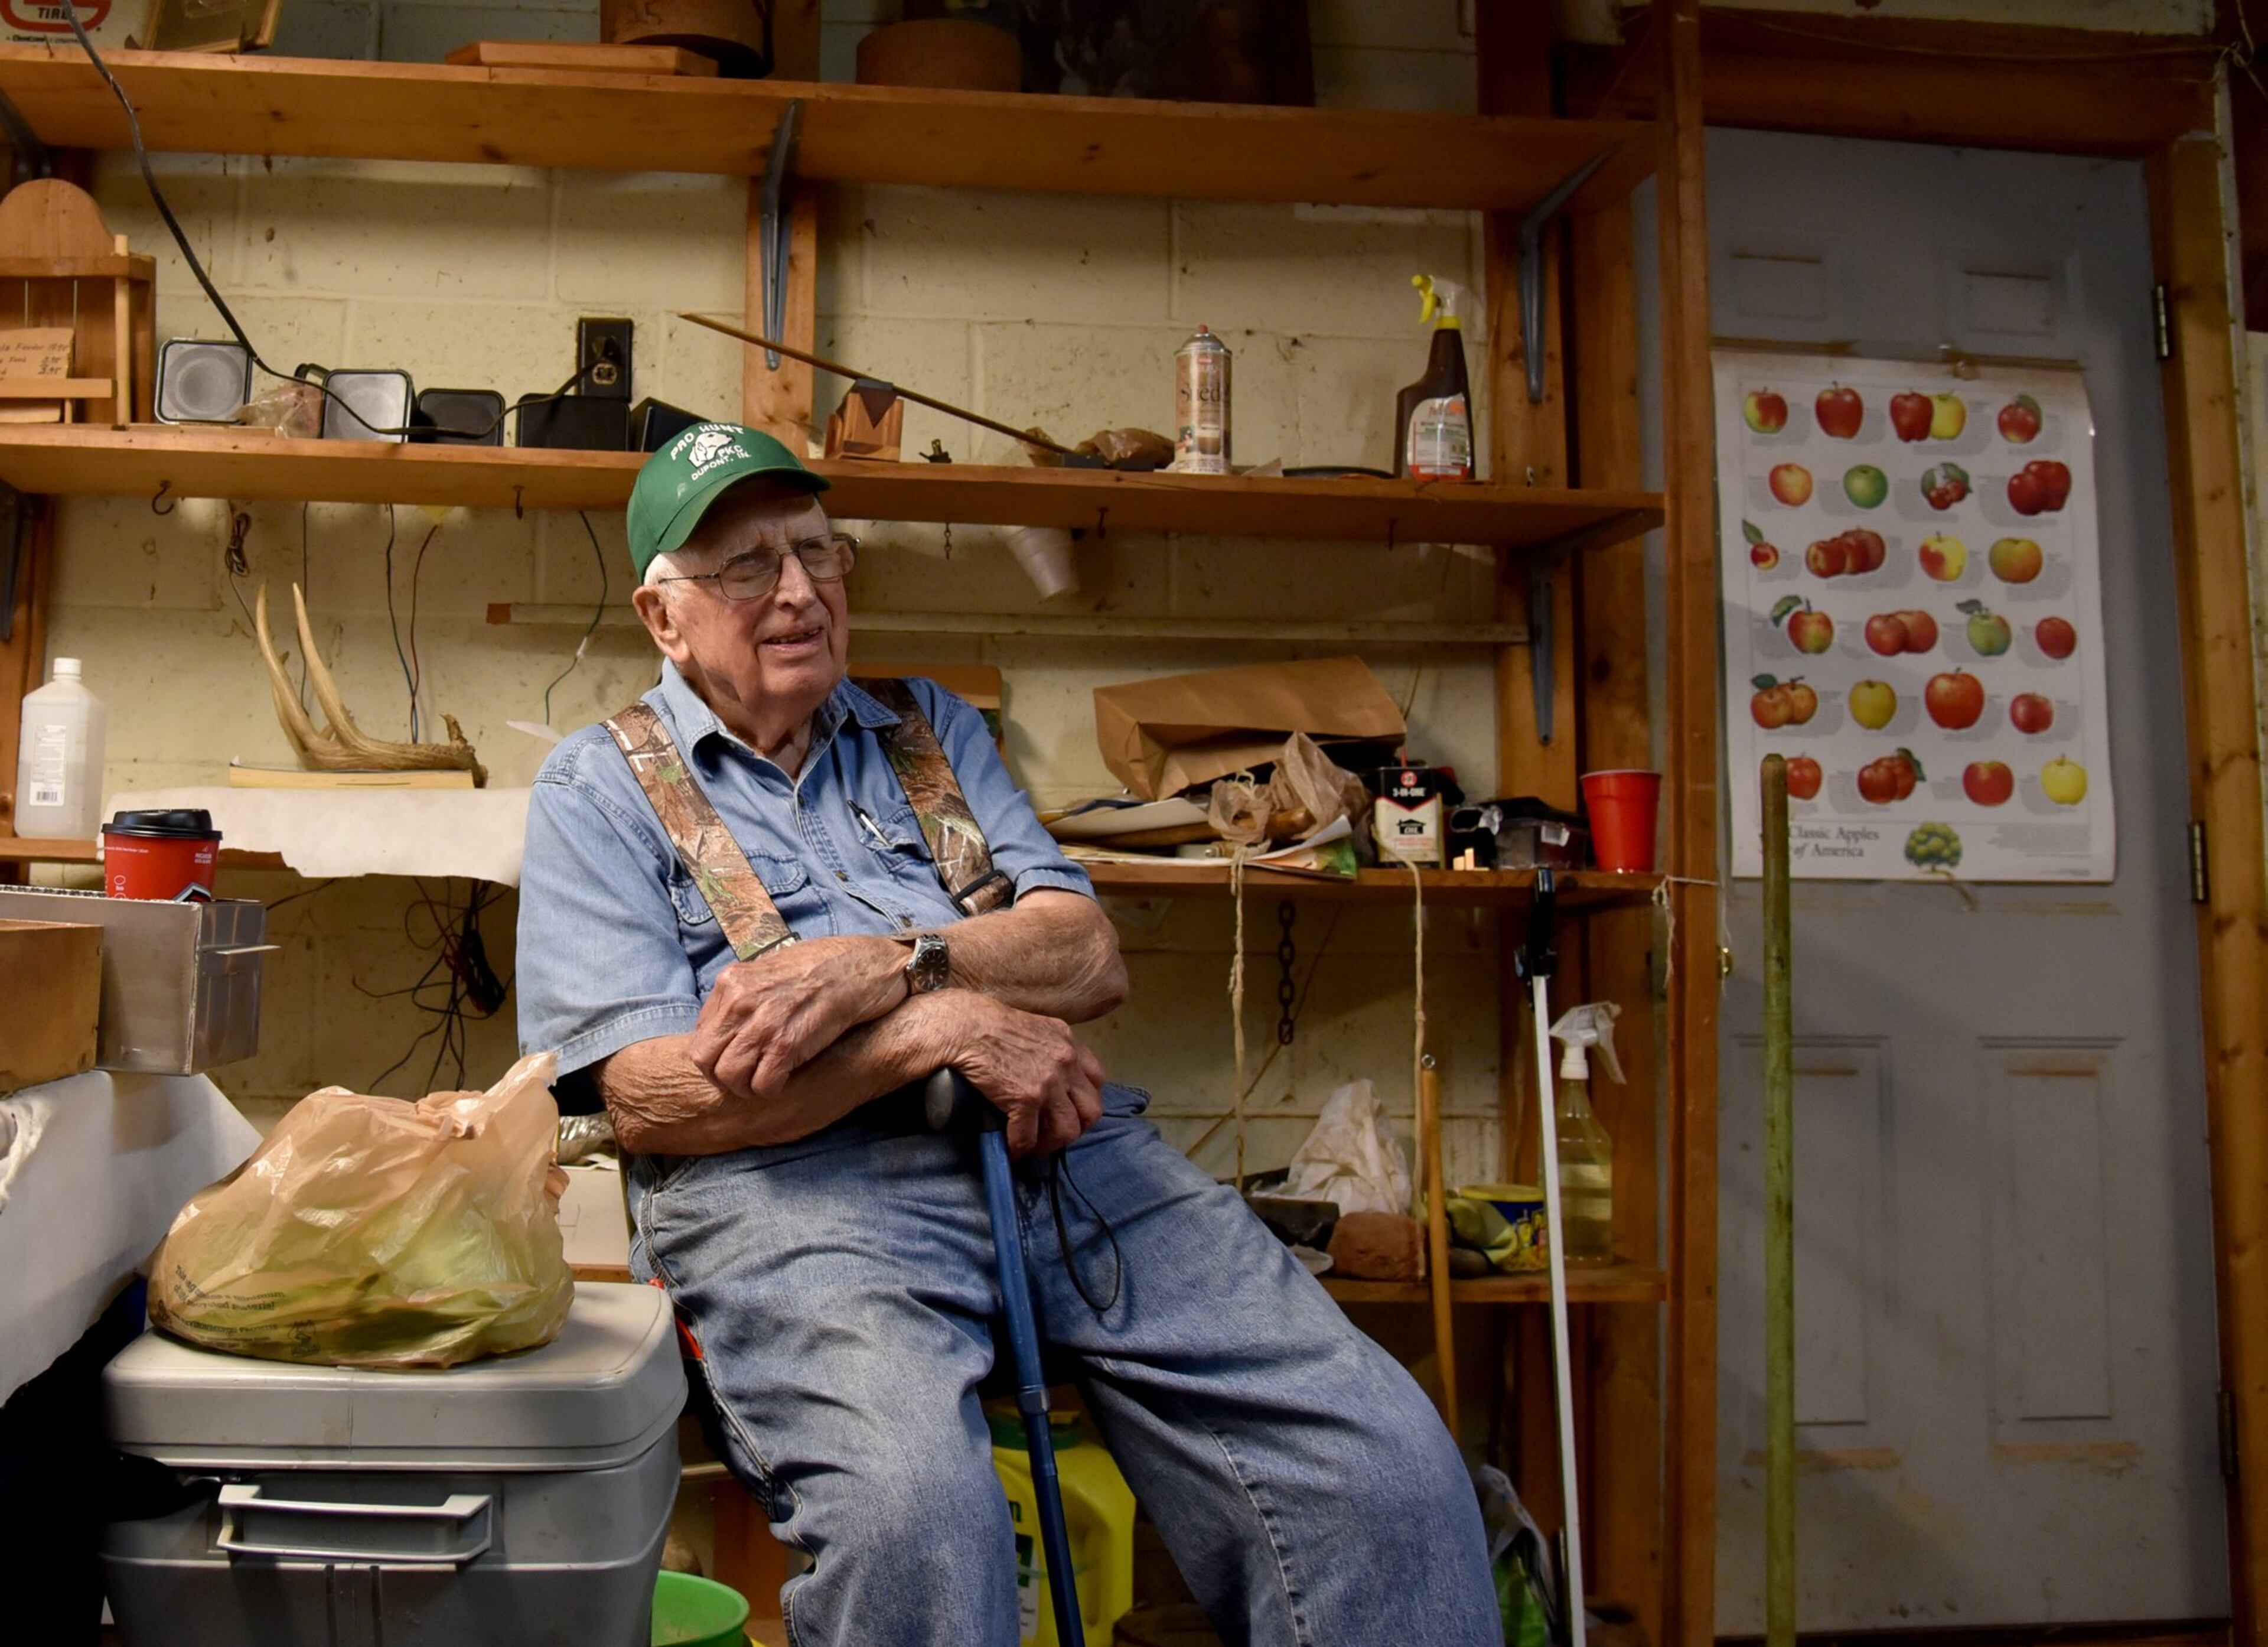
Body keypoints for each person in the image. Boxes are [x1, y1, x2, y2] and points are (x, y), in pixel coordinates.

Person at [517, 424, 1495, 1646]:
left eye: (819, 551)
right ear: (665, 618)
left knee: (1387, 1470)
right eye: (749, 567)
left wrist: (894, 966)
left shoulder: (925, 729)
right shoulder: (599, 788)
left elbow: (1084, 953)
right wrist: (930, 1030)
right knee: (918, 1523)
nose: (801, 591)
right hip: (798, 1199)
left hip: (1063, 1149)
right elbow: (648, 1097)